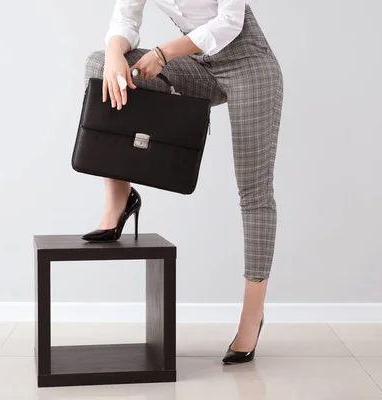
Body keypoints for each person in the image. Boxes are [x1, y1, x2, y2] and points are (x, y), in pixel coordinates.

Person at [81, 0, 283, 365]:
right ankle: (119, 199)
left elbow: (230, 21)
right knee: (100, 65)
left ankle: (252, 316)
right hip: (199, 65)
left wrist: (164, 52)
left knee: (254, 191)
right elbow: (126, 17)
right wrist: (114, 51)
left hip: (250, 66)